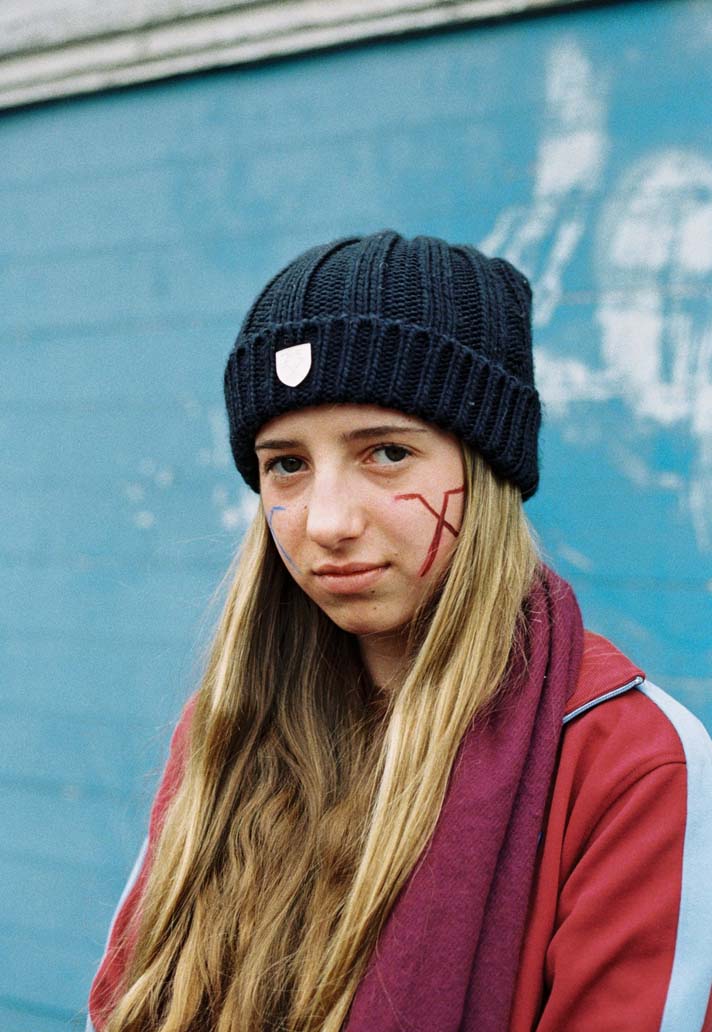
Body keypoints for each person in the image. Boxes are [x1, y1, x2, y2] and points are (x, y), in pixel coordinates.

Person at [87, 230, 712, 1032]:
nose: (327, 522)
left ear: (485, 472)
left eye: (385, 452)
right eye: (287, 464)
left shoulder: (631, 761)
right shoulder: (226, 729)